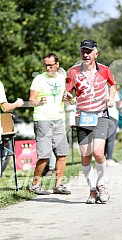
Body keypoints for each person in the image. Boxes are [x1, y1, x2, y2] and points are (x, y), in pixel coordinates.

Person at [64, 39, 116, 204]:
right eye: (83, 51)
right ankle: (92, 190)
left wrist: (111, 97)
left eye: (89, 51)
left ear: (96, 53)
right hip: (82, 116)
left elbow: (113, 85)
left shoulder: (105, 70)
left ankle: (101, 185)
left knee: (98, 152)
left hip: (100, 115)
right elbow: (66, 93)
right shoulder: (73, 72)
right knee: (85, 155)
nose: (85, 55)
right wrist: (67, 96)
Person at [29, 53, 71, 195]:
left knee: (62, 153)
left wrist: (67, 97)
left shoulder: (61, 79)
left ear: (57, 64)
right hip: (43, 120)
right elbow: (31, 100)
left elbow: (65, 98)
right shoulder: (39, 79)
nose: (48, 68)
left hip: (58, 120)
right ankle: (35, 184)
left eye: (51, 65)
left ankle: (58, 185)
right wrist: (39, 102)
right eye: (46, 65)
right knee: (45, 155)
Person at [105, 91, 120, 167]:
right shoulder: (112, 91)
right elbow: (119, 104)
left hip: (102, 116)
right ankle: (109, 159)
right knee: (111, 139)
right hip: (112, 116)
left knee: (103, 138)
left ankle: (103, 158)